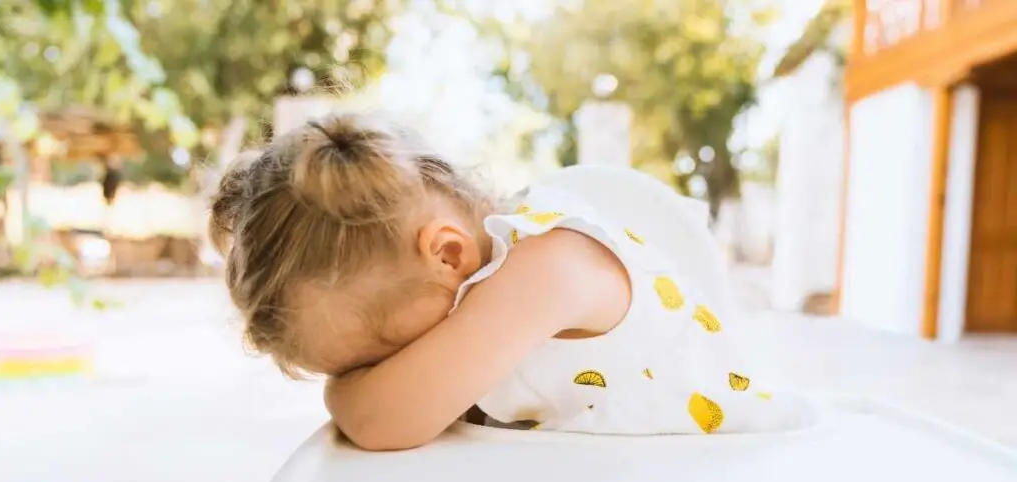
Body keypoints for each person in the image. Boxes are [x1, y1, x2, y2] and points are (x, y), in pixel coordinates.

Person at [209, 112, 807, 451]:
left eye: (381, 356)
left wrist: (343, 394)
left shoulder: (549, 265)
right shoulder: (480, 272)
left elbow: (379, 421)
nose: (382, 376)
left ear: (447, 255)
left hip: (744, 470)